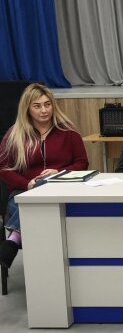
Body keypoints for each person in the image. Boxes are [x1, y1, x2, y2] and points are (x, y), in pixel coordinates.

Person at [0, 83, 89, 270]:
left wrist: (59, 172)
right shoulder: (15, 134)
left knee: (43, 186)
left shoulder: (68, 132)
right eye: (37, 106)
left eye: (47, 104)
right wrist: (27, 184)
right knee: (25, 202)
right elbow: (4, 168)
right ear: (27, 108)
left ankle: (13, 239)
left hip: (61, 190)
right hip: (23, 191)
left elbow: (82, 163)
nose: (44, 110)